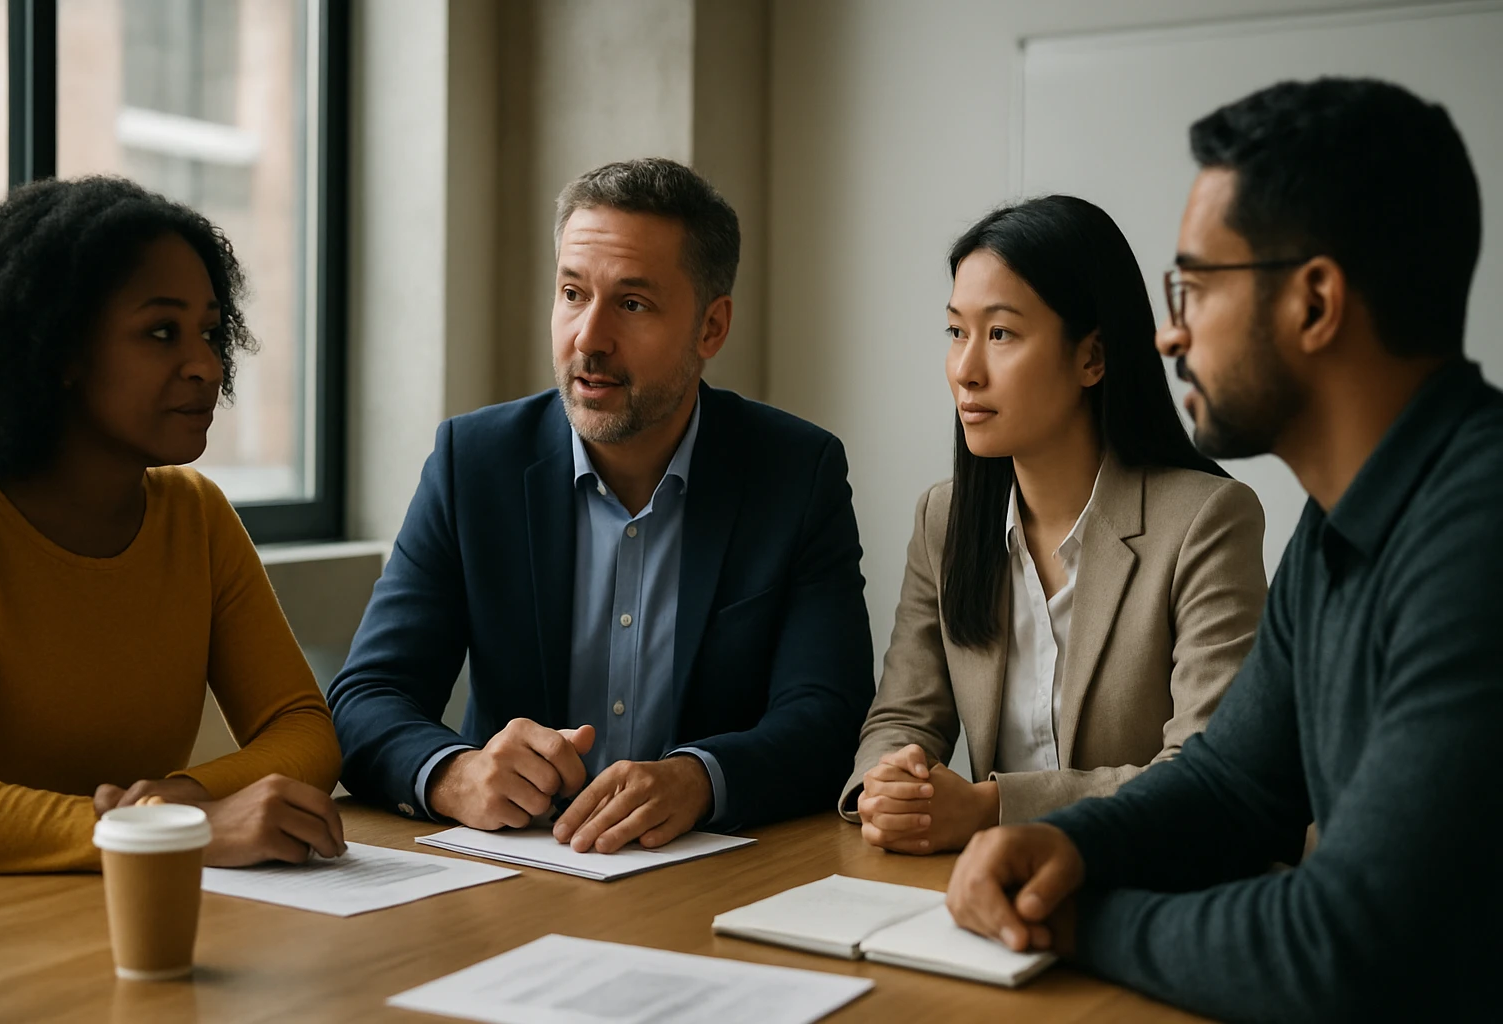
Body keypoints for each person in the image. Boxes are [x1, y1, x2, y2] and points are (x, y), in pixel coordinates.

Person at [946, 78, 1501, 1022]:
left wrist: (1078, 919)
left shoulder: (1478, 532)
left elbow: (1349, 944)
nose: (1168, 331)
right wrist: (1073, 847)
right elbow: (1236, 786)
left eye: (1195, 288)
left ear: (1315, 303)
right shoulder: (1343, 519)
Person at [329, 157, 874, 852]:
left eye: (633, 303)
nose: (589, 338)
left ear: (711, 328)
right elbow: (366, 696)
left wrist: (698, 778)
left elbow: (830, 714)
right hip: (514, 873)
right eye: (571, 293)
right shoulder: (476, 462)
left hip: (702, 874)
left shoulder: (795, 472)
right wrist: (454, 774)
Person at [842, 196, 1266, 854]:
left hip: (1141, 885)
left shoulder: (1206, 520)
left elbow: (1203, 770)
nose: (966, 369)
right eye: (956, 331)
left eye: (1001, 334)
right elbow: (903, 716)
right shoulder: (945, 518)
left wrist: (994, 808)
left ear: (1092, 356)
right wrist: (890, 782)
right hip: (983, 889)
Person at [0, 176, 345, 874]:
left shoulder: (196, 516)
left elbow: (302, 730)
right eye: (161, 332)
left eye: (208, 332)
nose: (205, 366)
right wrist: (164, 829)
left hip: (135, 906)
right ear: (59, 352)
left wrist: (188, 799)